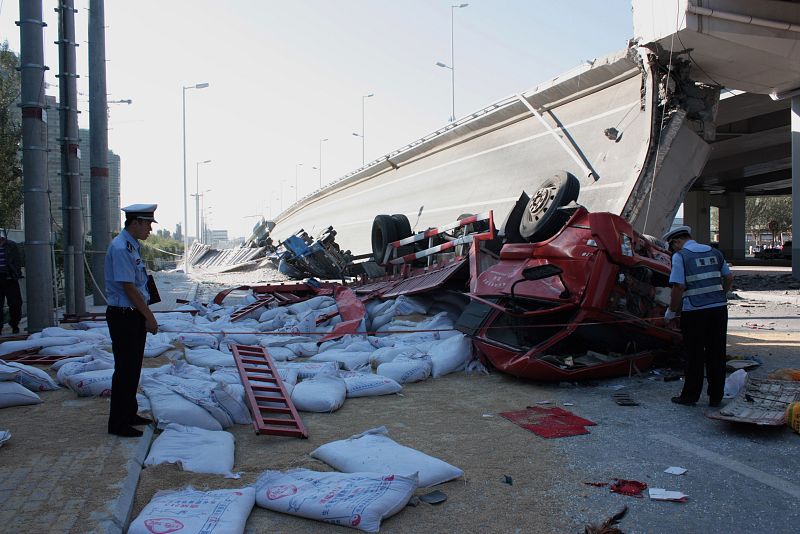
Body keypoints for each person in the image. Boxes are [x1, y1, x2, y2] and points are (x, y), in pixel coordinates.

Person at [663, 225, 733, 407]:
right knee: (716, 352)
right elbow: (729, 277)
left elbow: (678, 287)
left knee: (694, 354)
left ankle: (690, 396)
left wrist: (671, 311)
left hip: (695, 312)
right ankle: (716, 396)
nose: (673, 250)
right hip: (719, 310)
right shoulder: (715, 252)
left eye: (672, 246)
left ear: (677, 242)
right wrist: (720, 295)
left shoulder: (681, 257)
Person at [105, 204, 159, 437]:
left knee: (133, 368)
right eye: (147, 224)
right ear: (135, 222)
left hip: (132, 314)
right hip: (124, 315)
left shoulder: (131, 247)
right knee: (125, 369)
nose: (150, 229)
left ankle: (129, 413)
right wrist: (149, 316)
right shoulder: (120, 248)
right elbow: (128, 287)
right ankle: (117, 423)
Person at [0, 231, 24, 335]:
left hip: (10, 277)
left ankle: (14, 324)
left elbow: (17, 260)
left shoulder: (11, 245)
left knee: (15, 303)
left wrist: (16, 273)